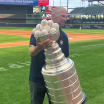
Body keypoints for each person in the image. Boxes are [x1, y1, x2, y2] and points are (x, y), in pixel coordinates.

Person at [29, 7, 69, 104]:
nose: (66, 18)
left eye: (67, 16)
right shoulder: (39, 31)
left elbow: (65, 59)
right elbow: (31, 52)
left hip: (55, 80)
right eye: (63, 16)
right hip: (38, 78)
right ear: (53, 17)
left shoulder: (64, 36)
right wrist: (40, 47)